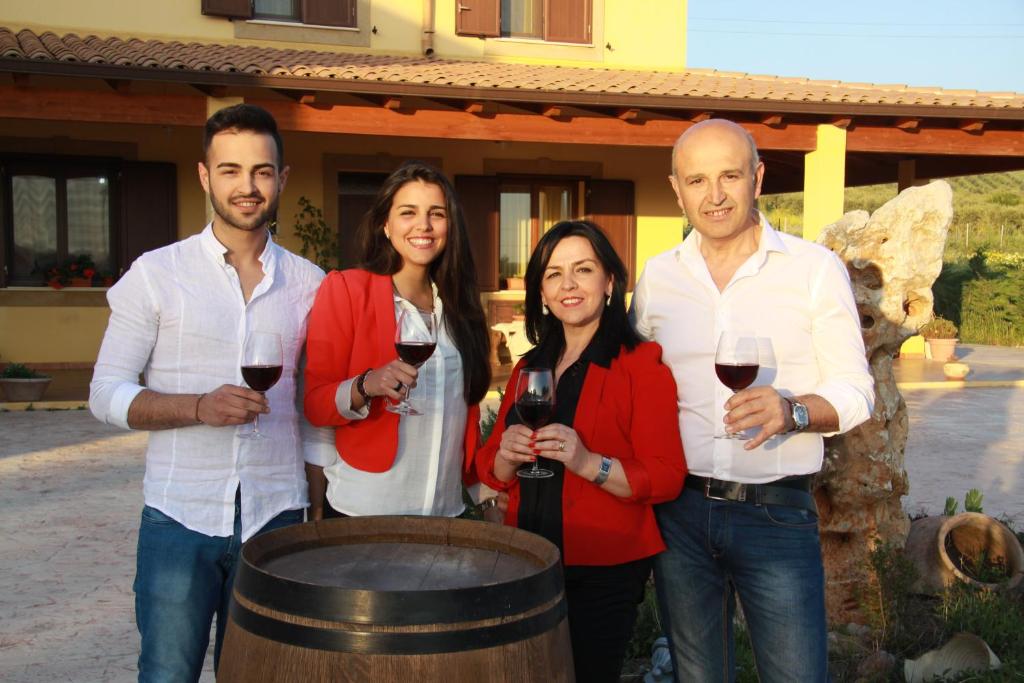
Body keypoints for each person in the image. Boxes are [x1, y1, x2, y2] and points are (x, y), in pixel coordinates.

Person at [89, 104, 331, 682]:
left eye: (261, 171)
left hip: (278, 515)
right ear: (205, 176)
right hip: (180, 518)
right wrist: (196, 407)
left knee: (258, 674)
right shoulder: (156, 274)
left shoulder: (311, 283)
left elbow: (312, 409)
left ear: (282, 178)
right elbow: (104, 393)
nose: (246, 187)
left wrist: (317, 509)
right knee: (168, 675)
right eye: (230, 170)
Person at [631, 118, 875, 682]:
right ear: (677, 189)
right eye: (696, 181)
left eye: (729, 176)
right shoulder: (658, 278)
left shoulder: (813, 270)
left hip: (775, 512)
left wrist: (792, 410)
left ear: (757, 178)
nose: (713, 196)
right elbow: (634, 383)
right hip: (679, 515)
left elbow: (856, 391)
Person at [476, 220, 686, 683]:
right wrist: (506, 458)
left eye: (583, 270)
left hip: (603, 570)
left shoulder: (640, 365)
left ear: (609, 282)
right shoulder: (530, 367)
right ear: (542, 292)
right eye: (553, 274)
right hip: (526, 558)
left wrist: (589, 463)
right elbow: (489, 469)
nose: (568, 285)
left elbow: (667, 475)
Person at [303, 161, 492, 519]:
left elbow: (462, 410)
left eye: (436, 213)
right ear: (385, 225)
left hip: (445, 510)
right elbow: (315, 404)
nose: (424, 225)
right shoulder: (346, 289)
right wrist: (366, 384)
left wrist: (482, 491)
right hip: (367, 509)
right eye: (409, 212)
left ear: (450, 227)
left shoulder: (460, 306)